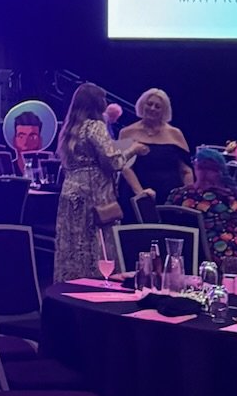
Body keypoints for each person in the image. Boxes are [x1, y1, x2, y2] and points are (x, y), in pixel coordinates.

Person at [53, 81, 143, 282]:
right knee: (96, 240)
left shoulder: (69, 129)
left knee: (73, 242)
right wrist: (134, 149)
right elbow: (114, 161)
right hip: (94, 194)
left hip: (70, 192)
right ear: (97, 102)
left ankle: (71, 284)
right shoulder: (96, 126)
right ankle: (96, 285)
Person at [167, 146, 237, 259]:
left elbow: (165, 225)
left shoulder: (178, 195)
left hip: (185, 256)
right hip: (229, 256)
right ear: (221, 170)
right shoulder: (231, 197)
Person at [117, 87, 192, 203]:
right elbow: (125, 168)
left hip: (170, 197)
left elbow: (186, 170)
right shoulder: (126, 132)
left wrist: (187, 196)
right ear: (142, 105)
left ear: (164, 111)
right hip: (136, 196)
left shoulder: (175, 133)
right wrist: (141, 195)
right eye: (149, 104)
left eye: (157, 106)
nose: (152, 108)